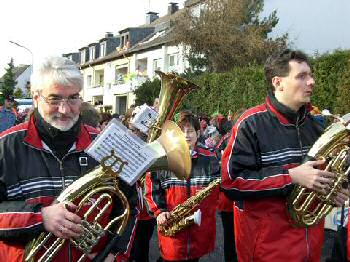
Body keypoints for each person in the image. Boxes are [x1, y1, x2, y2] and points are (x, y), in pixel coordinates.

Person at [0, 56, 138, 261]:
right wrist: (41, 217)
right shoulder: (5, 146)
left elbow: (130, 205)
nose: (65, 110)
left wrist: (115, 253)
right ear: (36, 98)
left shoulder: (106, 144)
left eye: (73, 98)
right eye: (54, 99)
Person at [221, 49, 349, 262]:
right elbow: (231, 182)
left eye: (311, 75)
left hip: (311, 247)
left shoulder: (316, 126)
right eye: (301, 76)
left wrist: (334, 192)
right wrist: (291, 177)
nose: (312, 82)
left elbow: (322, 178)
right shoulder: (250, 123)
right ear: (278, 82)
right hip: (267, 252)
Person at [144, 110, 220, 262]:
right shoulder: (164, 158)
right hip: (172, 225)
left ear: (198, 133)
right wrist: (159, 212)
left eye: (190, 130)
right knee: (170, 257)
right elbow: (152, 187)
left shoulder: (210, 157)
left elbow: (219, 186)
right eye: (182, 131)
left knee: (194, 258)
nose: (186, 135)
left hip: (200, 229)